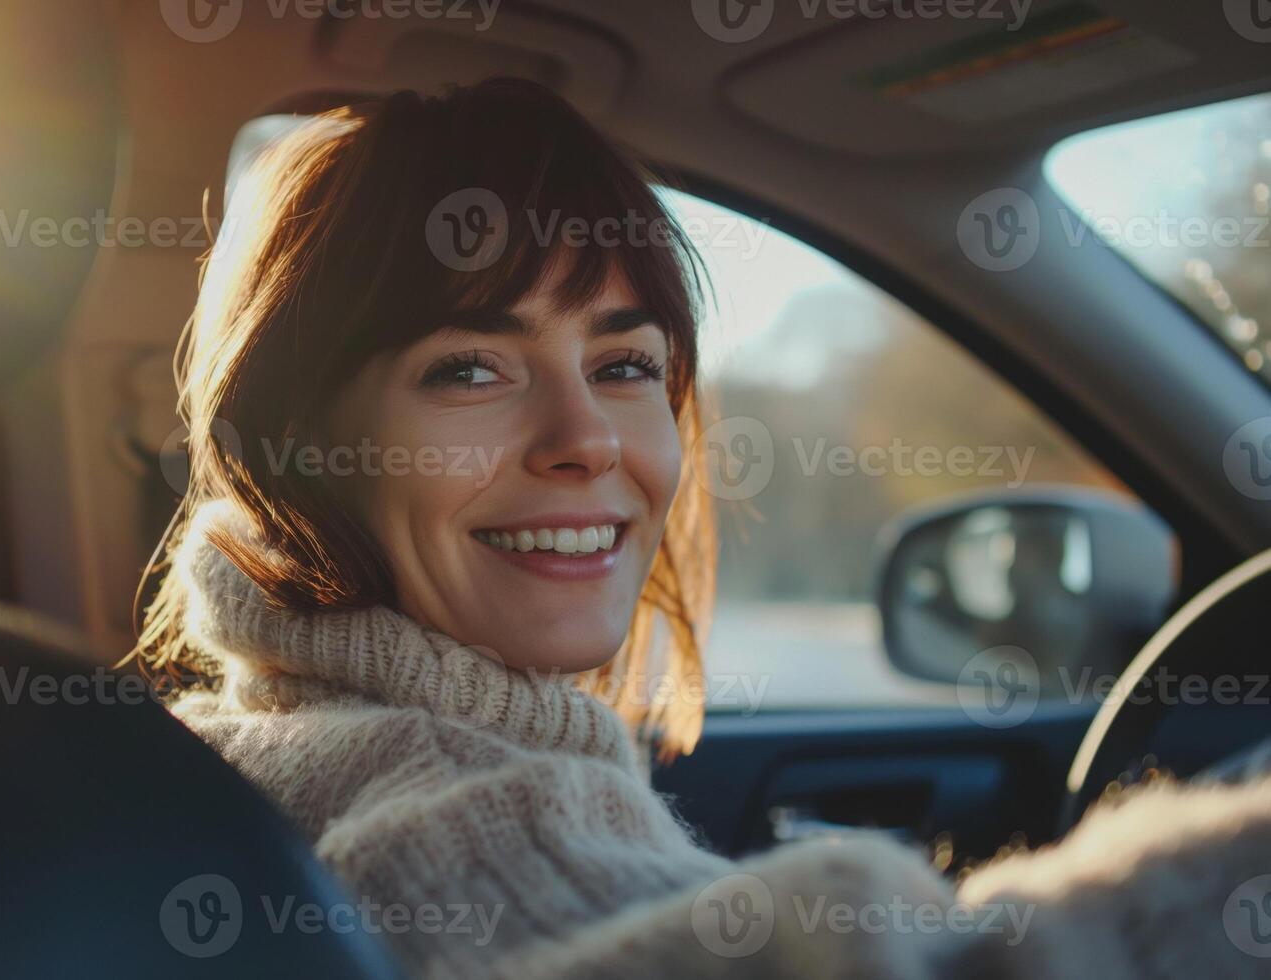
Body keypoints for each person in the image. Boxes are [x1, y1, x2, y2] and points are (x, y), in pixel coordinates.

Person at [130, 77, 1271, 978]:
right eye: (469, 365)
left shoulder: (235, 745)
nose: (588, 437)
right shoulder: (452, 808)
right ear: (288, 442)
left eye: (626, 363)